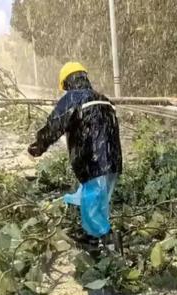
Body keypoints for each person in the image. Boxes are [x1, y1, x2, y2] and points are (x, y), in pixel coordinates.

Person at [27, 62, 122, 244]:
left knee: (91, 199)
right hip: (113, 160)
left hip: (93, 161)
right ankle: (95, 235)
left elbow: (55, 125)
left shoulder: (72, 99)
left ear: (67, 83)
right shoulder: (104, 99)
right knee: (100, 202)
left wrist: (38, 147)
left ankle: (105, 241)